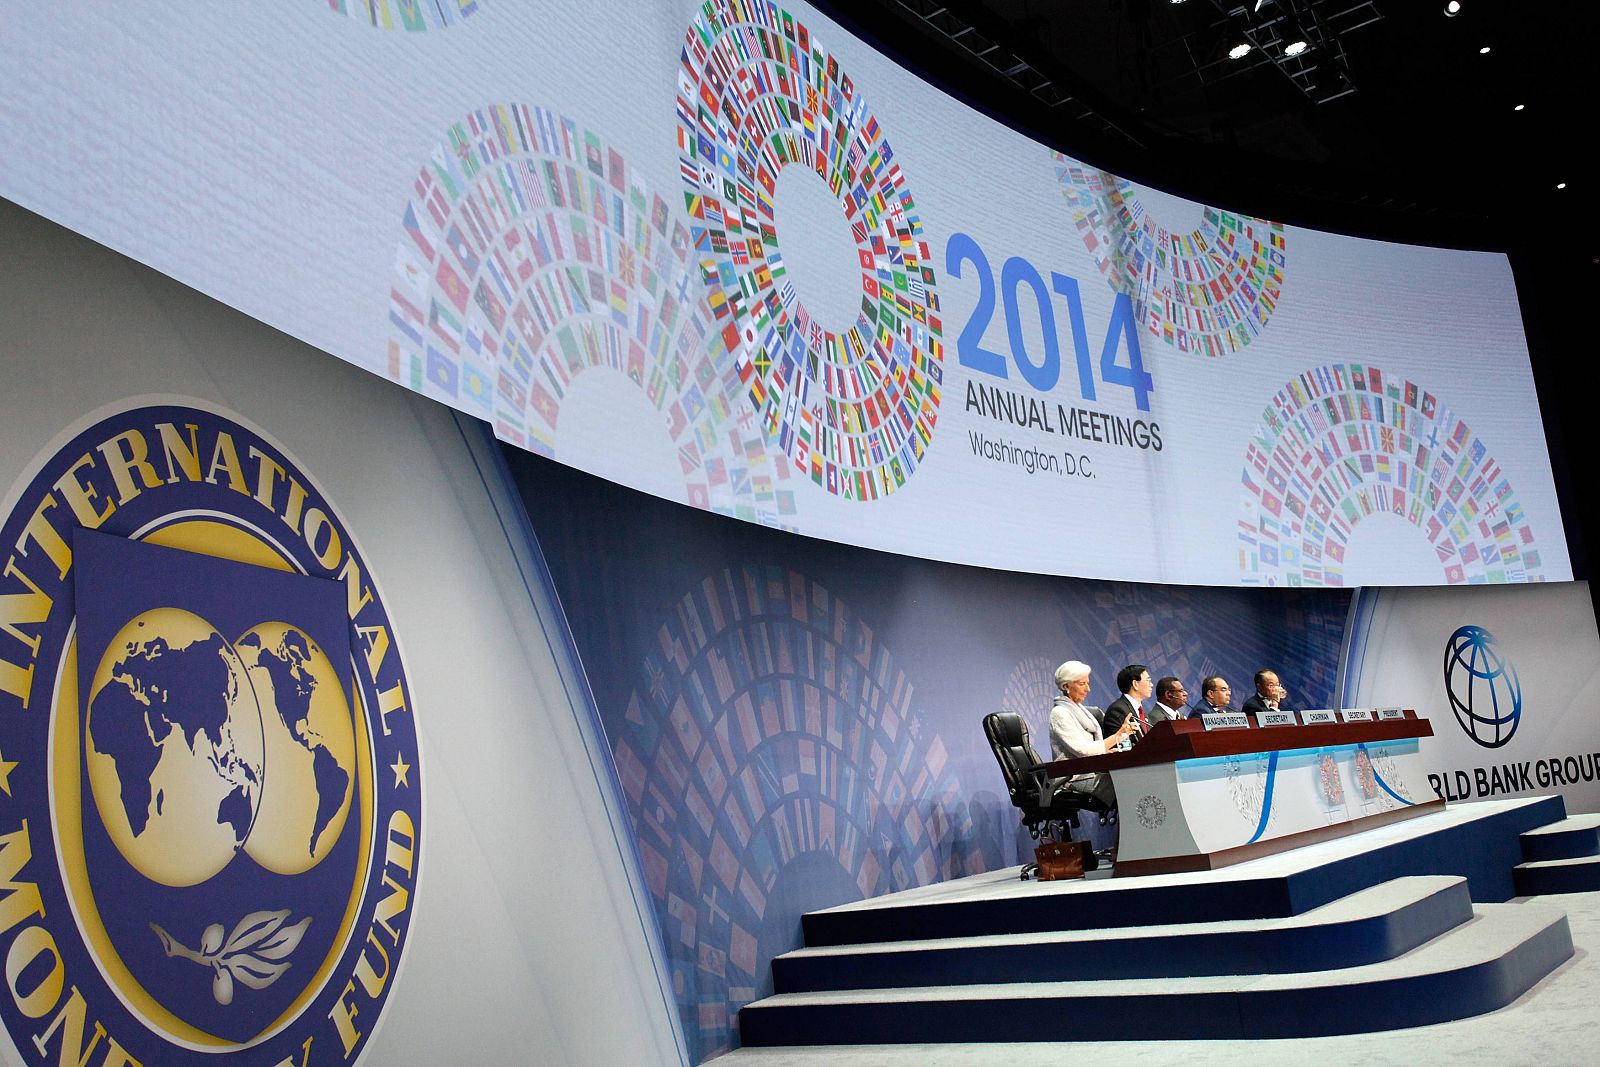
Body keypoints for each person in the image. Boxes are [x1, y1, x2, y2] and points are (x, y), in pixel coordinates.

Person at [1048, 660, 1137, 809]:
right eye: (1082, 684)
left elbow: (1091, 748)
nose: (1088, 689)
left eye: (1088, 683)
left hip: (1093, 771)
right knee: (1127, 786)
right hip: (1073, 778)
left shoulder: (1082, 711)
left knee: (1134, 778)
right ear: (1066, 686)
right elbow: (1083, 750)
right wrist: (1118, 735)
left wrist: (1107, 752)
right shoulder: (1059, 714)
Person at [1101, 663, 1153, 736]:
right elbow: (1121, 743)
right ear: (1135, 684)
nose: (1151, 685)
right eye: (1148, 680)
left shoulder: (1140, 710)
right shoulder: (1117, 710)